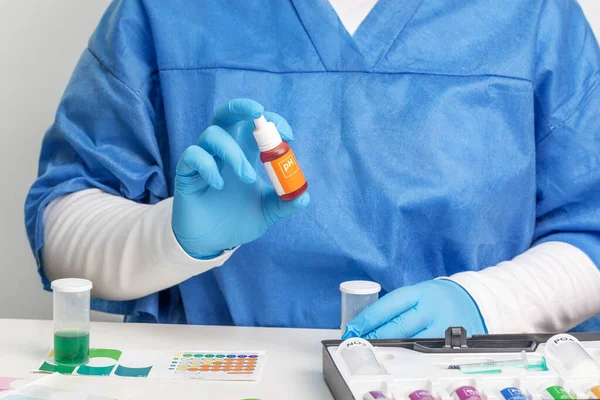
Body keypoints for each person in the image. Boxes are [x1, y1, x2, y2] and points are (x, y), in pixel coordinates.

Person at [25, 0, 600, 338]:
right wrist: (171, 235)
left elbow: (591, 229)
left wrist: (489, 303)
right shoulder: (169, 12)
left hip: (460, 379)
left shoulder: (533, 15)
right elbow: (63, 223)